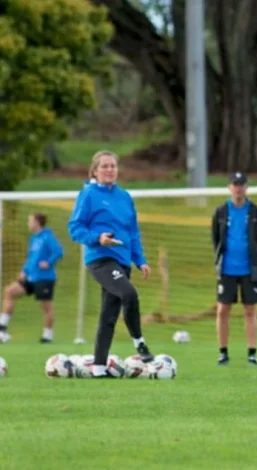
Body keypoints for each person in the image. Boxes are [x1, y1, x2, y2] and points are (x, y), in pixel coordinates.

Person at [68, 151, 155, 378]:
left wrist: (140, 260)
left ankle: (98, 369)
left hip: (123, 260)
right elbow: (75, 228)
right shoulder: (88, 195)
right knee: (129, 294)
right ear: (95, 170)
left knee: (109, 315)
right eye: (104, 166)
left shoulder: (125, 197)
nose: (109, 170)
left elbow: (133, 233)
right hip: (100, 259)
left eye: (113, 166)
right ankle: (140, 343)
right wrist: (98, 238)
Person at [211, 172, 257, 366]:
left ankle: (252, 353)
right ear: (229, 187)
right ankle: (222, 352)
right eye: (235, 184)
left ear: (246, 187)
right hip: (226, 269)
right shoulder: (220, 212)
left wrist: (254, 258)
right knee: (223, 310)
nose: (238, 188)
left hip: (249, 269)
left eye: (241, 184)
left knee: (250, 310)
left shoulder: (256, 212)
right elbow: (215, 239)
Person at [0, 213, 64, 343]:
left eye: (30, 221)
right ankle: (3, 325)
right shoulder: (33, 239)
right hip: (30, 277)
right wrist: (24, 271)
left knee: (46, 307)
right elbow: (31, 258)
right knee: (9, 291)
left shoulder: (48, 237)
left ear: (37, 222)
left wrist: (49, 262)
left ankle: (47, 336)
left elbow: (58, 251)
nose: (28, 223)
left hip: (44, 278)